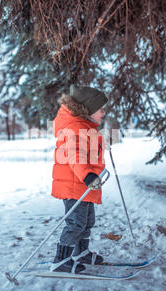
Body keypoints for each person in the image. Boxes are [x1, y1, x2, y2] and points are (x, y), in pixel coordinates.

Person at [50, 84, 108, 273]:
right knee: (76, 223)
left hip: (83, 185)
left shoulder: (85, 127)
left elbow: (88, 152)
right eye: (100, 108)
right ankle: (61, 260)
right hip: (75, 184)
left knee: (87, 221)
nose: (103, 111)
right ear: (89, 110)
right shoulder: (76, 128)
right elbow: (75, 155)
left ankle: (81, 253)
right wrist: (88, 175)